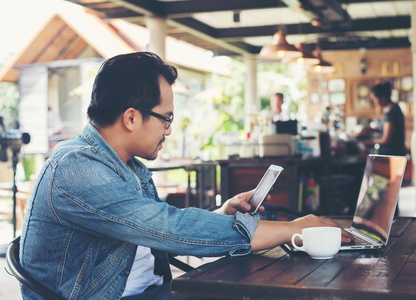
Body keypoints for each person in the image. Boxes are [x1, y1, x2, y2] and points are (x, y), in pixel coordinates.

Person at [20, 52, 353, 300]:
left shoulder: (125, 165)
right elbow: (171, 228)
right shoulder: (77, 169)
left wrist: (221, 215)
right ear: (132, 118)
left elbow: (156, 230)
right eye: (166, 118)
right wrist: (295, 229)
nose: (168, 129)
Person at [361, 82, 406, 156]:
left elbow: (386, 139)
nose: (374, 102)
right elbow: (386, 129)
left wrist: (368, 142)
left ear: (383, 98)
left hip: (392, 155)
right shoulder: (390, 109)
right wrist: (370, 129)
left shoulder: (392, 112)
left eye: (374, 99)